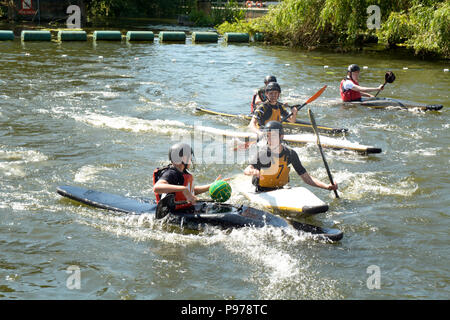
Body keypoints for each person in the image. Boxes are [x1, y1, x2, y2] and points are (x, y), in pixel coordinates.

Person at [244, 121, 338, 193]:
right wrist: (252, 171)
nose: (270, 139)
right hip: (261, 191)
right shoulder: (262, 154)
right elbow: (248, 169)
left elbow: (306, 177)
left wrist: (326, 186)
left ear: (281, 136)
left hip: (281, 189)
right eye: (267, 136)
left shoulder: (290, 154)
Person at [153, 143, 225, 211]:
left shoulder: (182, 173)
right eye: (190, 158)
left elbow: (191, 191)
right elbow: (157, 188)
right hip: (174, 211)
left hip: (183, 208)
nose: (191, 161)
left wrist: (212, 185)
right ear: (184, 158)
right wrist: (184, 189)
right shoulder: (171, 173)